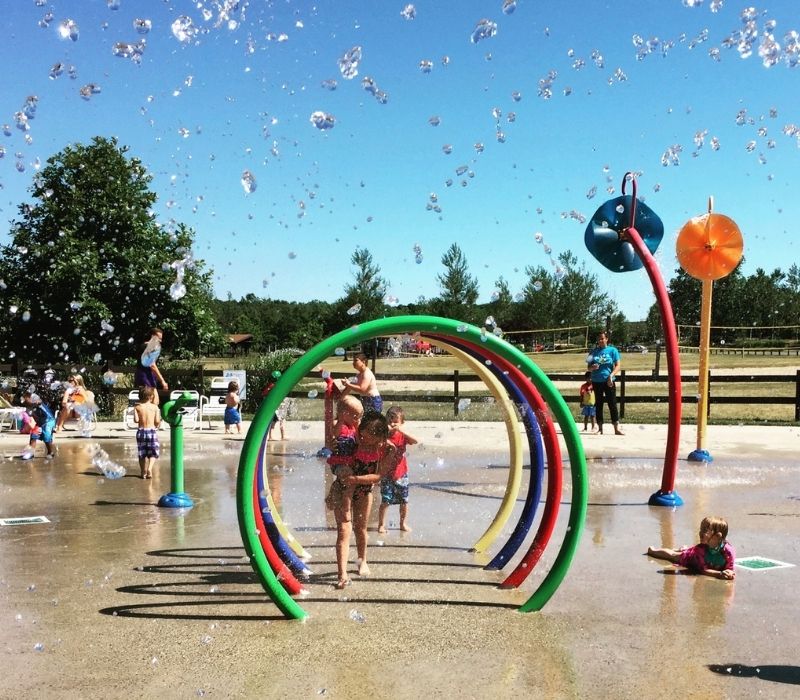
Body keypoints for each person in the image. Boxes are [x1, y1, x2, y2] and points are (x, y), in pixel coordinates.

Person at [327, 409, 397, 590]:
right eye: (362, 437)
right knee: (343, 531)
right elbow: (334, 452)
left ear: (380, 438)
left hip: (364, 491)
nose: (364, 442)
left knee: (361, 529)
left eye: (369, 440)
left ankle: (362, 560)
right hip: (342, 490)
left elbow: (378, 476)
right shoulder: (351, 441)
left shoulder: (387, 449)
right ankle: (342, 574)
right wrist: (331, 444)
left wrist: (355, 480)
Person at [647, 516, 736, 580]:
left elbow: (730, 568)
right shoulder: (700, 550)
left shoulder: (728, 551)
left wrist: (729, 573)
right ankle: (653, 551)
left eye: (705, 531)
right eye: (701, 529)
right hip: (691, 558)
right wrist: (719, 574)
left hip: (698, 556)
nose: (700, 533)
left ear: (717, 536)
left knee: (684, 550)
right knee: (673, 555)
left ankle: (682, 549)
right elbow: (703, 570)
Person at [324, 391, 364, 523]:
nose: (357, 419)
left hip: (350, 461)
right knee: (349, 480)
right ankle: (346, 508)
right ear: (344, 414)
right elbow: (334, 433)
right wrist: (340, 420)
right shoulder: (338, 424)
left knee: (344, 481)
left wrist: (357, 427)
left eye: (359, 417)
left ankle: (332, 494)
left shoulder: (354, 427)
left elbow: (359, 441)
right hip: (339, 461)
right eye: (355, 416)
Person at [378, 406, 418, 533]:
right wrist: (385, 441)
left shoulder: (402, 436)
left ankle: (402, 523)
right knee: (385, 500)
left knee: (404, 501)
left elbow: (415, 441)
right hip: (386, 474)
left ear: (402, 423)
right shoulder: (383, 436)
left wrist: (401, 431)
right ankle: (381, 525)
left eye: (396, 421)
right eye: (390, 420)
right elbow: (376, 445)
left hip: (401, 474)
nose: (392, 423)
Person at [587, 331, 624, 435]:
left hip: (609, 381)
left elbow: (618, 366)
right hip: (596, 381)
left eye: (602, 338)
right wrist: (592, 368)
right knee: (598, 404)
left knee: (612, 403)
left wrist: (611, 376)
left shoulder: (613, 350)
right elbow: (588, 368)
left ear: (607, 339)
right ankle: (599, 428)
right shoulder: (593, 352)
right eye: (599, 339)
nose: (601, 341)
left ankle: (616, 427)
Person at [134, 328, 168, 405]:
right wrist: (162, 381)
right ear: (152, 336)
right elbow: (152, 365)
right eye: (159, 338)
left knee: (149, 401)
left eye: (161, 339)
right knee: (151, 402)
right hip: (146, 377)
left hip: (143, 376)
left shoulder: (143, 346)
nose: (160, 341)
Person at [133, 385, 161, 479]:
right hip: (151, 432)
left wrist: (135, 410)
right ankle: (149, 468)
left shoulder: (137, 407)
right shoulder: (155, 408)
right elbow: (157, 421)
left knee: (142, 453)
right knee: (153, 452)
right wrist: (158, 424)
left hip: (141, 432)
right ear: (151, 396)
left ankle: (142, 472)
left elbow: (136, 420)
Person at [22, 391, 56, 459]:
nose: (25, 400)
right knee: (33, 436)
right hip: (40, 422)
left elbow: (39, 401)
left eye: (26, 399)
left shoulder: (38, 403)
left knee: (46, 437)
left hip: (48, 421)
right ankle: (30, 453)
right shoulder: (29, 407)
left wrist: (37, 401)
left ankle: (50, 452)